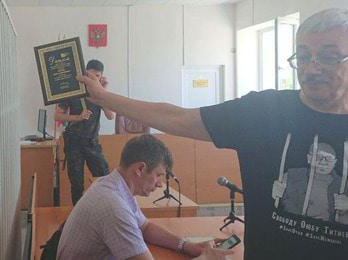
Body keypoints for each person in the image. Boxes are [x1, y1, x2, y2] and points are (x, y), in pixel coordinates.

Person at [76, 8, 348, 259]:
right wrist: (103, 97)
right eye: (302, 56)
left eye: (328, 56)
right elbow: (177, 117)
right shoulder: (265, 111)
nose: (312, 68)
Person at [57, 134, 233, 260]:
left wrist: (186, 246)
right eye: (158, 175)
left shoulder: (114, 184)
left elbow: (145, 227)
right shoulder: (112, 206)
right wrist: (207, 257)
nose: (159, 184)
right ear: (140, 169)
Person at [55, 59, 115, 205]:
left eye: (98, 77)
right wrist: (77, 117)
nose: (95, 79)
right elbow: (57, 116)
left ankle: (102, 209)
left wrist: (104, 92)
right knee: (76, 183)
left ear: (102, 76)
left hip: (91, 142)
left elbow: (110, 115)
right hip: (73, 142)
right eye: (92, 75)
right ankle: (78, 215)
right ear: (86, 74)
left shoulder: (99, 93)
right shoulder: (73, 91)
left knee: (103, 177)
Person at [272, 142, 348, 224]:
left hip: (324, 231)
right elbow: (275, 202)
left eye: (329, 158)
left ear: (334, 162)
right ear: (309, 158)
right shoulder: (292, 175)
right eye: (318, 157)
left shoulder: (344, 184)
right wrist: (275, 191)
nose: (323, 161)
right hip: (293, 225)